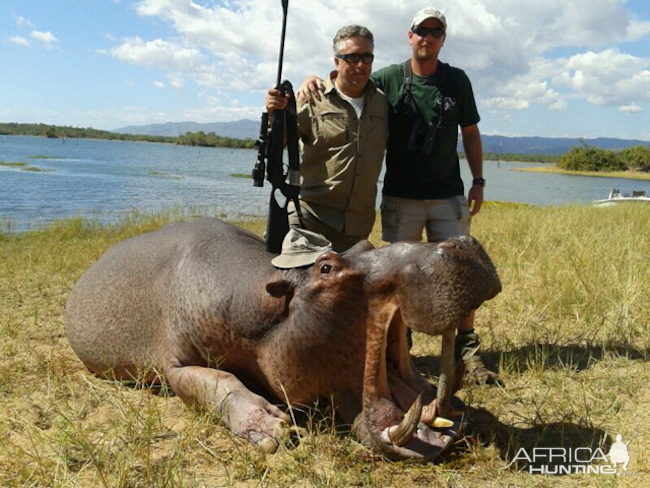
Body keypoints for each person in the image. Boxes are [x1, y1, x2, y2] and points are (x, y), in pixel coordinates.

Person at [297, 8, 501, 386]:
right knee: (400, 277)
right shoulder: (388, 78)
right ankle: (399, 348)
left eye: (435, 31)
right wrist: (313, 80)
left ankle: (467, 351)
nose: (427, 36)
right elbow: (347, 84)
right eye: (421, 30)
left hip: (447, 193)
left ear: (443, 38)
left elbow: (470, 132)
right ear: (409, 36)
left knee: (459, 270)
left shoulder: (456, 81)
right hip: (401, 197)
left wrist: (479, 180)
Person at [265, 25, 388, 252]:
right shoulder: (311, 98)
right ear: (336, 61)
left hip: (358, 230)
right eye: (351, 58)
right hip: (309, 221)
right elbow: (277, 145)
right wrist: (275, 115)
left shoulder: (383, 102)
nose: (360, 64)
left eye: (366, 57)